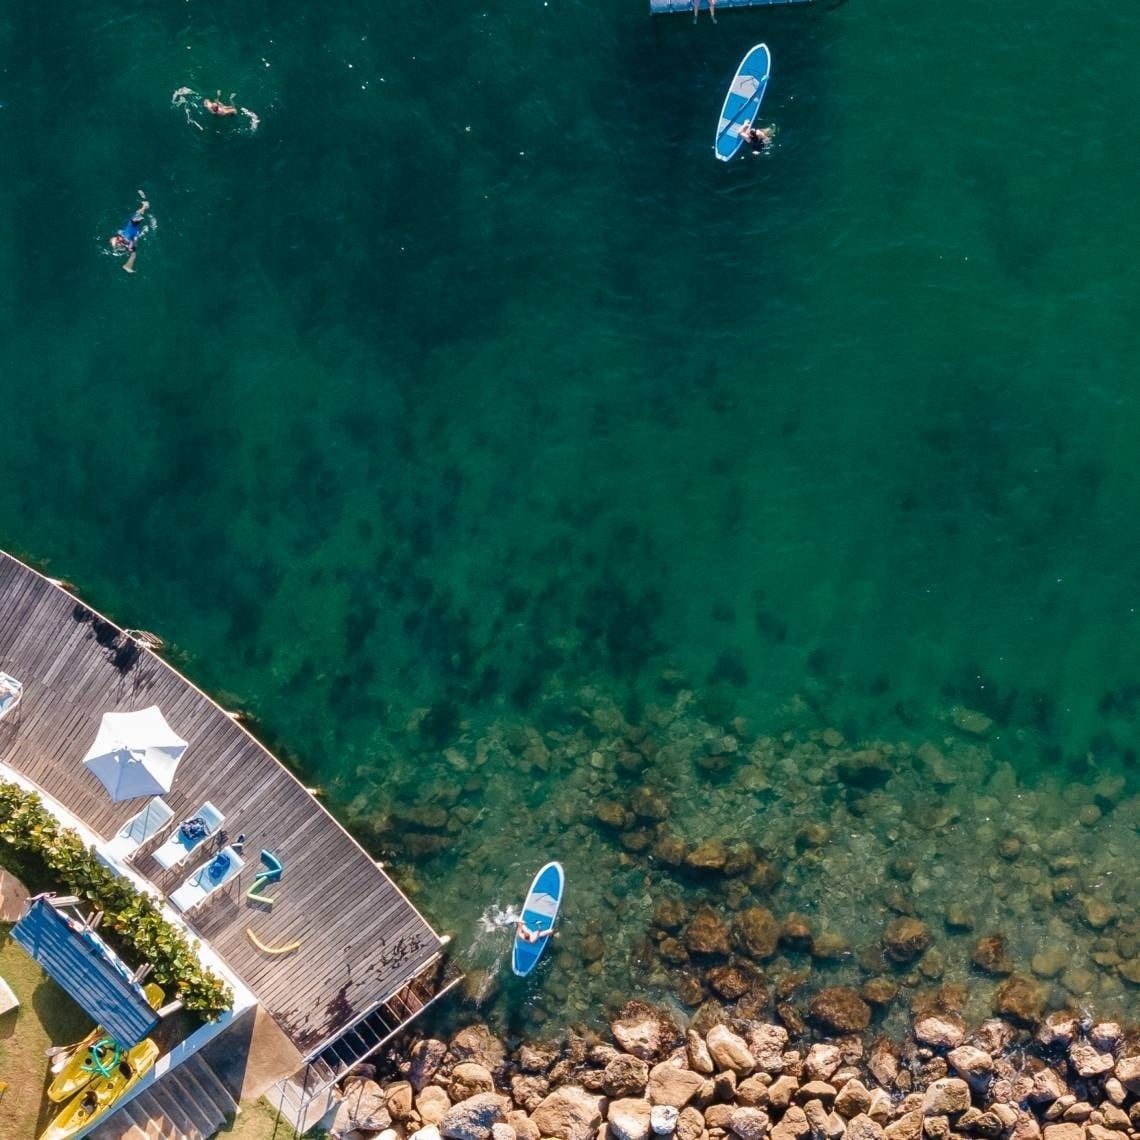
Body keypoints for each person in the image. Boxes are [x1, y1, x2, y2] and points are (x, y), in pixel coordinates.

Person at [108, 191, 149, 273]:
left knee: (133, 253)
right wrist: (144, 208)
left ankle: (128, 265)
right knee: (133, 252)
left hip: (128, 239)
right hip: (129, 238)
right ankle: (144, 205)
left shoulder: (127, 232)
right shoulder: (130, 228)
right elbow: (135, 220)